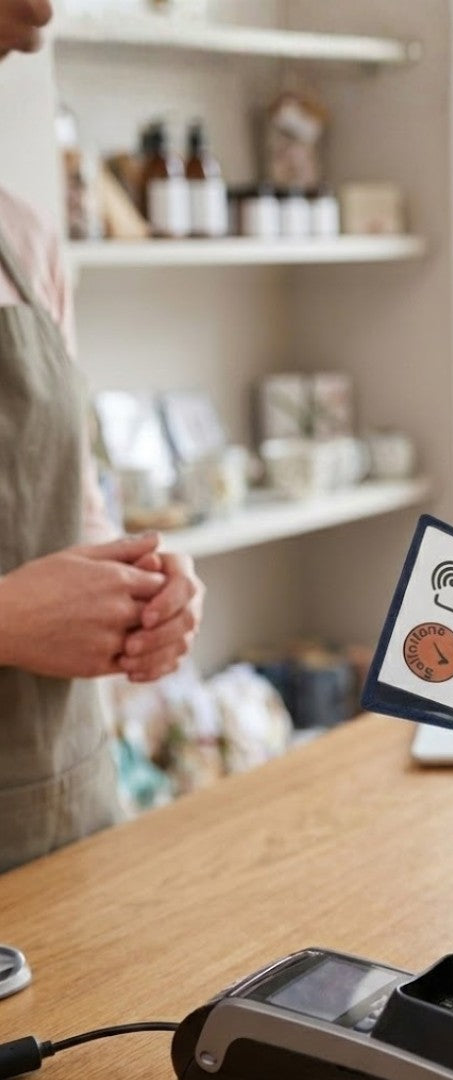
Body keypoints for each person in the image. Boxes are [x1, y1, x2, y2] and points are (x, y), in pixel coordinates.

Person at [0, 0, 204, 872]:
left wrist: (141, 589)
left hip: (58, 810)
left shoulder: (20, 237)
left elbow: (69, 504)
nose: (44, 8)